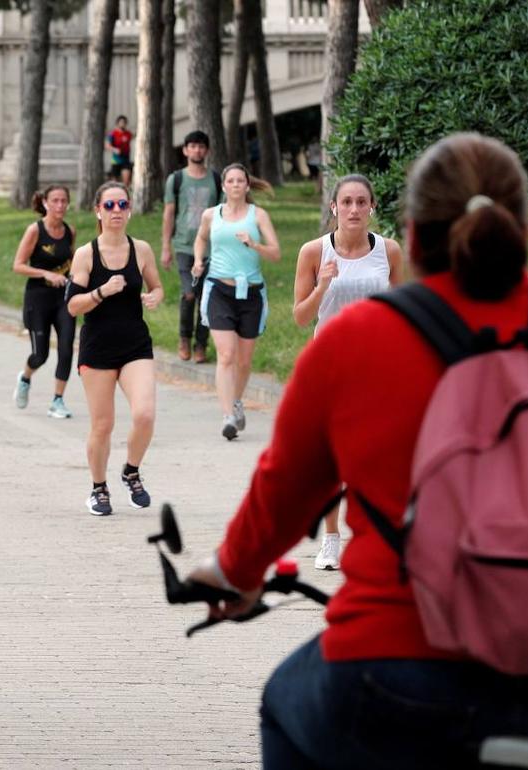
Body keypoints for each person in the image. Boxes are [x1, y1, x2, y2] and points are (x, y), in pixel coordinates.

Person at [185, 133, 528, 769]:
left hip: (404, 665)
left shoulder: (357, 340)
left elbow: (281, 496)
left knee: (285, 702)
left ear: (411, 239)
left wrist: (234, 573)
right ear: (521, 233)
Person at [292, 174, 405, 570]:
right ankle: (331, 539)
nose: (354, 209)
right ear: (334, 207)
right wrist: (322, 287)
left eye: (361, 202)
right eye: (347, 202)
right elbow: (301, 318)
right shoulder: (313, 252)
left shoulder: (389, 251)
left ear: (372, 207)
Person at [66, 181, 164, 516]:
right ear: (98, 211)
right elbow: (72, 306)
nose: (116, 211)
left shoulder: (142, 250)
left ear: (130, 210)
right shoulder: (86, 254)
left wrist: (154, 297)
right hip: (98, 349)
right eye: (109, 206)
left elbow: (158, 286)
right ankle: (98, 488)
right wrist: (101, 292)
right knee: (103, 424)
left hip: (135, 343)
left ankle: (131, 471)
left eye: (122, 205)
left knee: (145, 414)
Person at [192, 164, 281, 441]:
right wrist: (197, 260)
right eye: (230, 181)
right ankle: (228, 415)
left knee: (244, 360)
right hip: (219, 289)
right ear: (223, 186)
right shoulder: (211, 215)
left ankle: (237, 400)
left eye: (240, 181)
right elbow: (201, 238)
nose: (235, 185)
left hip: (251, 293)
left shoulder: (258, 216)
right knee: (227, 355)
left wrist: (254, 245)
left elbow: (276, 253)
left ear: (246, 185)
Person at [11, 185, 77, 419]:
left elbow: (71, 261)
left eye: (64, 201)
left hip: (64, 299)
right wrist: (45, 274)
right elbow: (18, 265)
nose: (60, 205)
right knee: (41, 355)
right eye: (55, 201)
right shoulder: (35, 230)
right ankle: (26, 377)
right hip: (38, 298)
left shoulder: (70, 230)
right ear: (46, 203)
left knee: (67, 346)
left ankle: (57, 400)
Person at [161, 130, 222, 363]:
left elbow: (222, 214)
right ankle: (184, 338)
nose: (197, 150)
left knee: (206, 298)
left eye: (201, 146)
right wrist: (166, 246)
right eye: (192, 146)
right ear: (185, 150)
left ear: (206, 150)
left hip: (211, 249)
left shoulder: (216, 179)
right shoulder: (176, 179)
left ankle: (201, 345)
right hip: (184, 246)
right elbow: (169, 213)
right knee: (188, 294)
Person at [105, 115, 133, 185]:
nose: (123, 124)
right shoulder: (113, 134)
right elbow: (107, 146)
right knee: (115, 182)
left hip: (126, 160)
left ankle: (126, 193)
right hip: (116, 160)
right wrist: (115, 149)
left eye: (124, 122)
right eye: (121, 122)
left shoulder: (128, 134)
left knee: (126, 181)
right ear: (117, 123)